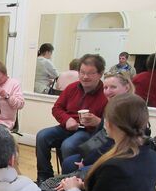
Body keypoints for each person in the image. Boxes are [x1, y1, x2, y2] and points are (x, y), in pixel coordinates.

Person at [35, 54, 108, 183]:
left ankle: (69, 181)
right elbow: (57, 108)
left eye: (90, 73)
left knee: (68, 145)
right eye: (82, 72)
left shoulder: (106, 94)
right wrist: (66, 119)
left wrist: (97, 121)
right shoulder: (72, 88)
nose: (85, 77)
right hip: (67, 127)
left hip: (89, 132)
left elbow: (109, 124)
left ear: (100, 74)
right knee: (42, 136)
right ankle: (44, 177)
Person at [61, 71, 135, 174]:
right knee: (70, 161)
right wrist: (85, 155)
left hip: (119, 156)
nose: (108, 92)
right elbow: (100, 134)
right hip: (105, 149)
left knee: (70, 163)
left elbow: (112, 143)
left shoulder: (128, 109)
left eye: (113, 87)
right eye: (105, 88)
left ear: (126, 88)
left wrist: (86, 161)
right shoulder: (112, 106)